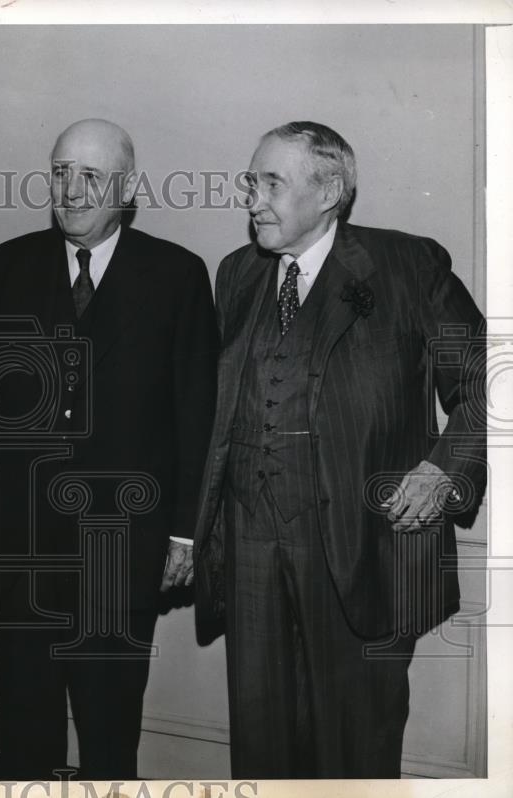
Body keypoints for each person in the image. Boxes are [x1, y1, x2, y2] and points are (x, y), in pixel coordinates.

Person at [192, 121, 487, 778]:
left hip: (363, 549)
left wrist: (443, 467)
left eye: (272, 184)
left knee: (355, 751)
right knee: (263, 748)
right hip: (250, 550)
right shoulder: (236, 275)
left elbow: (486, 384)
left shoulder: (407, 266)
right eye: (251, 182)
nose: (252, 200)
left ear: (328, 191)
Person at [0, 119, 217, 779]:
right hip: (26, 548)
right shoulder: (11, 264)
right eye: (60, 173)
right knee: (26, 727)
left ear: (127, 188)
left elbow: (196, 414)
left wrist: (185, 535)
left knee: (109, 732)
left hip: (123, 547)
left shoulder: (177, 275)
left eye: (91, 177)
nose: (71, 191)